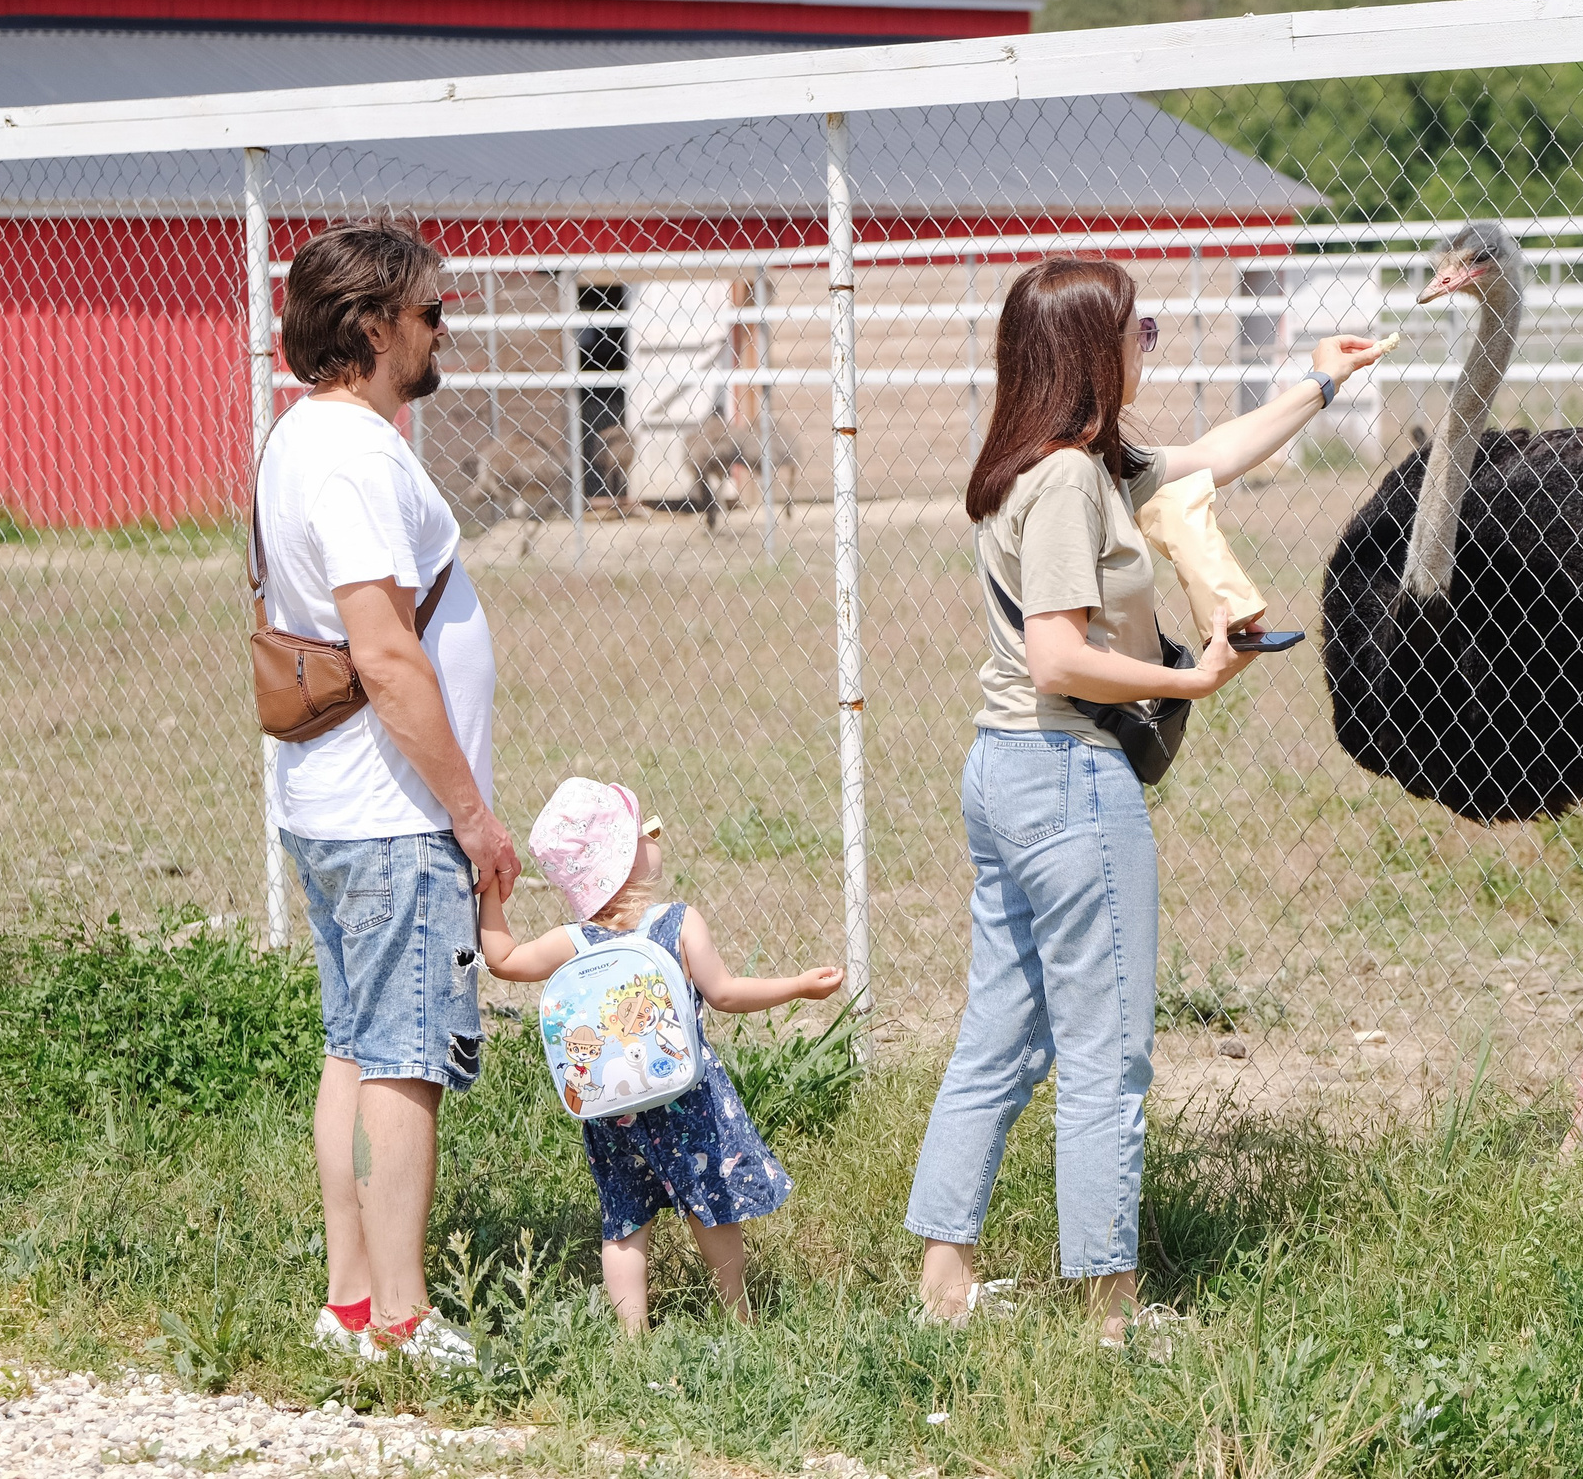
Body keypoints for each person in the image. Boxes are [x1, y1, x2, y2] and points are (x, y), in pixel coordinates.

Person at [903, 257, 1382, 1341]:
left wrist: (1320, 384)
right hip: (1069, 775)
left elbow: (1208, 459)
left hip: (1002, 770)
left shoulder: (1059, 464)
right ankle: (1112, 1314)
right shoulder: (1072, 483)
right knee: (1105, 1055)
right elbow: (1060, 658)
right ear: (1086, 351)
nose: (1145, 345)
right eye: (1138, 329)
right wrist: (1190, 679)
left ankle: (943, 1286)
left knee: (999, 1037)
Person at [259, 222, 518, 1367]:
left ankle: (352, 1302)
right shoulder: (358, 457)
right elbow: (386, 655)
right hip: (391, 811)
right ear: (372, 328)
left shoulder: (302, 436)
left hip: (334, 804)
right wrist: (469, 814)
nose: (442, 328)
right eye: (431, 312)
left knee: (354, 1052)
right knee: (403, 1061)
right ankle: (404, 1321)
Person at [479, 776, 845, 1329]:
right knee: (713, 1206)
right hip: (687, 1097)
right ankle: (738, 1313)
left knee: (624, 1222)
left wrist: (488, 889)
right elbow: (724, 994)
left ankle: (632, 1338)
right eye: (645, 829)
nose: (656, 835)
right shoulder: (676, 922)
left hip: (613, 1109)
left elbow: (503, 960)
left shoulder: (573, 941)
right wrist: (797, 985)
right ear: (624, 860)